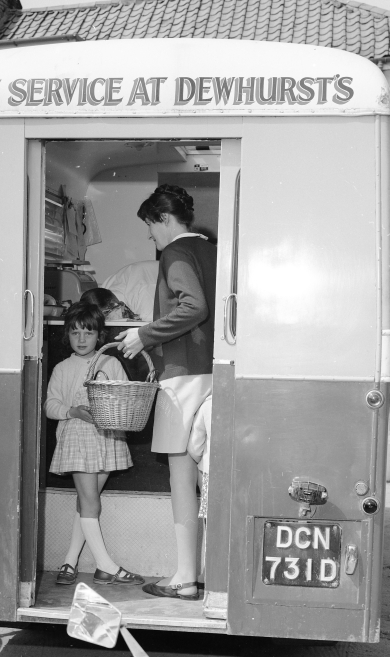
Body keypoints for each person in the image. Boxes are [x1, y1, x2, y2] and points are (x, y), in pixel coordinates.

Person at [117, 184, 216, 600]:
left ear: (162, 219)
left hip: (181, 373)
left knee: (181, 474)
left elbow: (193, 307)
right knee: (208, 470)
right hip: (213, 369)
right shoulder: (212, 249)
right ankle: (206, 570)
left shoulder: (175, 252)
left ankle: (185, 578)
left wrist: (144, 335)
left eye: (149, 226)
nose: (150, 237)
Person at [45, 302, 143, 587]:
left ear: (99, 335)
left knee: (86, 502)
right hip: (76, 439)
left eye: (88, 333)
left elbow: (124, 397)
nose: (82, 339)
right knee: (91, 502)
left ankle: (69, 561)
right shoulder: (63, 368)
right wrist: (73, 411)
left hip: (106, 438)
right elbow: (50, 405)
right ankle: (106, 566)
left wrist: (106, 410)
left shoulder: (110, 363)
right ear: (68, 336)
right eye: (75, 333)